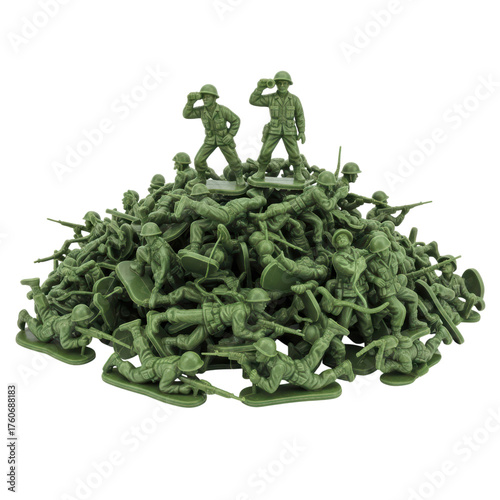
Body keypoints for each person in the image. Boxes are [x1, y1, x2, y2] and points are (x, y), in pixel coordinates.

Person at [249, 71, 306, 182]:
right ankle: (261, 171)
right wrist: (260, 88)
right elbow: (253, 100)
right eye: (279, 83)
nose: (282, 86)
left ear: (289, 84)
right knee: (265, 152)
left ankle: (298, 172)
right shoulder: (271, 98)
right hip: (274, 130)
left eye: (285, 83)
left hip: (289, 130)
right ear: (276, 84)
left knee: (294, 154)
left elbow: (300, 116)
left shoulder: (294, 99)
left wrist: (302, 131)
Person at [183, 84, 244, 186]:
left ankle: (239, 177)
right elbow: (187, 114)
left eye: (208, 97)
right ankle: (201, 178)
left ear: (214, 98)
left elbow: (236, 120)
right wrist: (190, 102)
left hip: (223, 139)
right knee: (198, 160)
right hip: (210, 139)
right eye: (203, 97)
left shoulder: (223, 110)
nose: (205, 99)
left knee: (233, 160)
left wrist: (230, 135)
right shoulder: (202, 111)